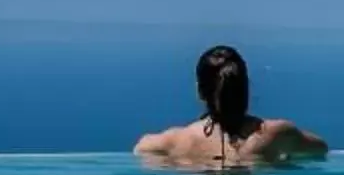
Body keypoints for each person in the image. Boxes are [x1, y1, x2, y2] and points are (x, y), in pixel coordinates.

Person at [134, 44, 328, 167]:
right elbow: (321, 149)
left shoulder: (178, 141)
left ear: (200, 91)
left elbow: (141, 148)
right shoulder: (276, 134)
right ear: (246, 88)